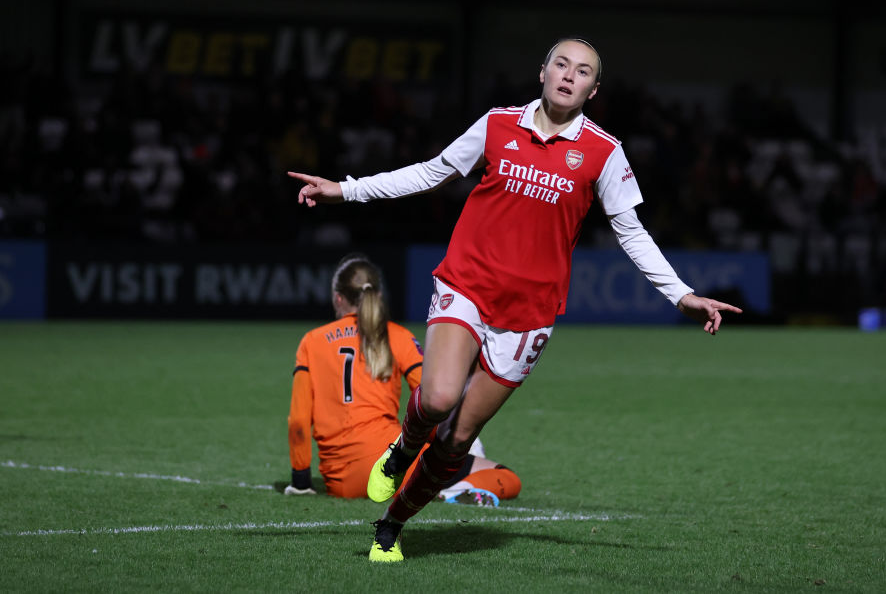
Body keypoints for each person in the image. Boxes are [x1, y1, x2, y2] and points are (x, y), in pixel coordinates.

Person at [288, 38, 742, 562]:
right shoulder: (497, 124)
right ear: (542, 72)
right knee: (437, 399)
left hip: (529, 315)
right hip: (467, 283)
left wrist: (681, 295)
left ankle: (391, 524)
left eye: (583, 71)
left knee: (457, 440)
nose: (569, 75)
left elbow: (631, 231)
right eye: (561, 64)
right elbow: (431, 172)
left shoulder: (603, 152)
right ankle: (402, 450)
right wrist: (344, 189)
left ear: (594, 90)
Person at [285, 253, 522, 505]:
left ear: (338, 298)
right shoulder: (397, 337)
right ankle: (445, 491)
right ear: (378, 295)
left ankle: (441, 489)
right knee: (505, 477)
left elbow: (298, 420)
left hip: (340, 483)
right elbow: (433, 399)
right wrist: (450, 443)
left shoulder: (312, 341)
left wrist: (301, 482)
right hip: (393, 466)